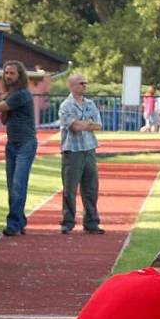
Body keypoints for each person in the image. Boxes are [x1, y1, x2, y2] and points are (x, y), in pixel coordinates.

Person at [0, 60, 37, 236]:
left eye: (12, 73)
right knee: (12, 185)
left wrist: (2, 100)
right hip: (12, 143)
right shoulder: (10, 95)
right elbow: (4, 119)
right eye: (6, 73)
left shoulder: (22, 94)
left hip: (26, 142)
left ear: (20, 76)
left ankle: (13, 224)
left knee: (18, 183)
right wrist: (4, 100)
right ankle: (20, 220)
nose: (8, 76)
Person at [58, 74, 104, 235]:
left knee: (91, 187)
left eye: (86, 83)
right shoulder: (66, 105)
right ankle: (68, 222)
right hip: (72, 151)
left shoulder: (90, 103)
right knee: (69, 189)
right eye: (81, 83)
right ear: (72, 86)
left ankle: (91, 222)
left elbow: (98, 125)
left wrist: (83, 124)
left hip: (89, 148)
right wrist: (87, 123)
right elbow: (74, 127)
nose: (85, 85)